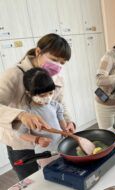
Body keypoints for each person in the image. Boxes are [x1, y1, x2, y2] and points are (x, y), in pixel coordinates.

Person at [0, 33, 74, 180]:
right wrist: (21, 115)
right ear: (38, 52)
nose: (57, 66)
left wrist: (69, 121)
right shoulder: (14, 74)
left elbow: (60, 104)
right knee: (30, 186)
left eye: (62, 63)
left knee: (55, 178)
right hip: (23, 145)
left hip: (52, 142)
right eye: (54, 60)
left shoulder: (56, 77)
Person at [17, 68, 66, 167]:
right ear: (29, 93)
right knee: (51, 174)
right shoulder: (28, 113)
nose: (48, 97)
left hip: (62, 147)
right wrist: (38, 139)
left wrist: (66, 131)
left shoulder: (54, 105)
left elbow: (61, 121)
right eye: (42, 95)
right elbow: (21, 134)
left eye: (51, 93)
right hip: (44, 153)